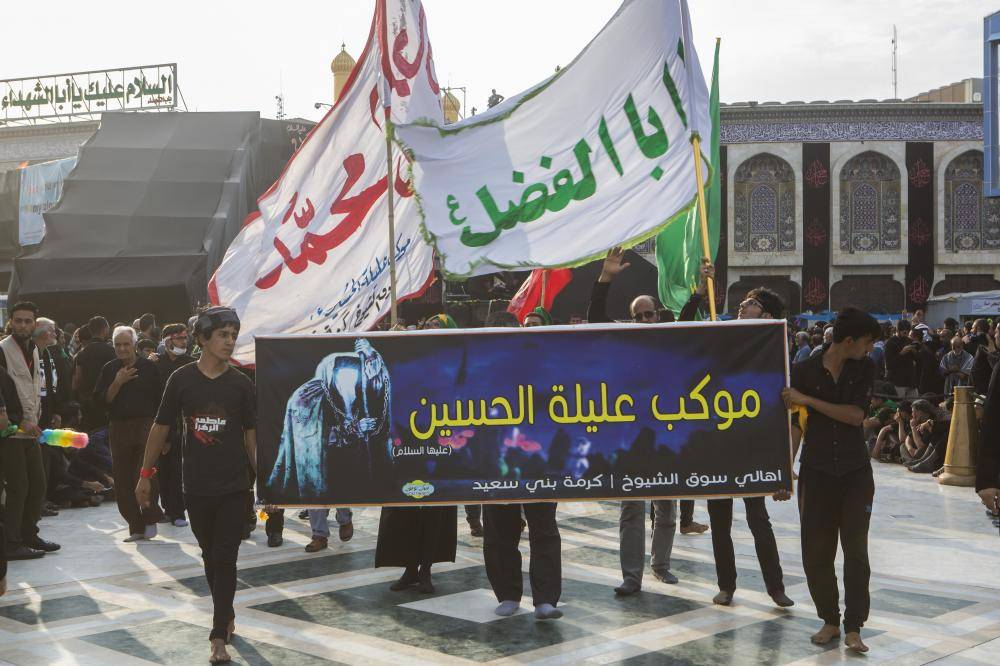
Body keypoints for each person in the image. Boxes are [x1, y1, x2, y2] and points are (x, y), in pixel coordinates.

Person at [136, 306, 256, 665]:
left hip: (235, 485)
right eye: (223, 335)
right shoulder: (181, 380)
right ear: (202, 339)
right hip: (196, 485)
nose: (230, 341)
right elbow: (160, 427)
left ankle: (217, 634)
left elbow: (251, 438)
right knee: (209, 555)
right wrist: (145, 475)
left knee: (226, 555)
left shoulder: (241, 384)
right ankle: (225, 612)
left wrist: (264, 480)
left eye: (233, 335)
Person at [783, 306, 881, 655]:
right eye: (867, 342)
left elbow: (855, 416)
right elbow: (796, 424)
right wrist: (784, 469)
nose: (870, 349)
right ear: (849, 341)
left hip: (855, 473)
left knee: (856, 552)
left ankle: (854, 625)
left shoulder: (864, 368)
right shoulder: (803, 371)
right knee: (816, 552)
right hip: (817, 471)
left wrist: (808, 399)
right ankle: (829, 619)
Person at [705, 289, 792, 608]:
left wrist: (782, 467)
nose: (742, 305)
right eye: (743, 301)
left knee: (758, 519)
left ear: (767, 315)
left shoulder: (773, 350)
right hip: (718, 442)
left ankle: (776, 587)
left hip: (751, 445)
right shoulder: (721, 338)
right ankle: (726, 585)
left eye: (752, 303)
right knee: (720, 523)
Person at [482, 310, 562, 620]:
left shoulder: (539, 367)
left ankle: (546, 599)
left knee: (543, 528)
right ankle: (508, 594)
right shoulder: (480, 371)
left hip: (537, 460)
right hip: (497, 463)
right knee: (499, 530)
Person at [0, 302, 59, 558]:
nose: (22, 325)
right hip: (9, 431)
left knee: (38, 484)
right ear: (10, 321)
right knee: (18, 487)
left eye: (27, 321)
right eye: (18, 320)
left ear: (34, 323)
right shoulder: (2, 350)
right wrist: (18, 420)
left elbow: (35, 386)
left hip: (31, 429)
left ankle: (29, 534)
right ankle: (12, 543)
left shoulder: (34, 349)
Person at [96, 326, 163, 541]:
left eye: (126, 344)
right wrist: (118, 382)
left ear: (134, 345)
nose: (122, 348)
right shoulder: (109, 369)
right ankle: (135, 526)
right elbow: (101, 401)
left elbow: (161, 400)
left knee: (144, 473)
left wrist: (166, 435)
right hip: (119, 427)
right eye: (118, 345)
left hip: (146, 426)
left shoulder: (149, 367)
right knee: (123, 478)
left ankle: (150, 517)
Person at [422, 313, 484, 537]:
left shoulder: (462, 355)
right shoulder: (424, 356)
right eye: (429, 326)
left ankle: (474, 520)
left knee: (468, 472)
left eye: (437, 326)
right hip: (433, 423)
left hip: (461, 421)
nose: (432, 329)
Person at [152, 323, 195, 527]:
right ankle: (168, 510)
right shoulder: (155, 364)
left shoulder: (191, 363)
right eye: (179, 338)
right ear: (168, 341)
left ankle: (178, 512)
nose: (184, 342)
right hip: (162, 423)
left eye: (186, 338)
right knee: (163, 470)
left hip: (186, 424)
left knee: (179, 470)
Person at [74, 316, 117, 436]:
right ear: (105, 330)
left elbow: (77, 379)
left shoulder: (82, 353)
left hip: (88, 404)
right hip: (107, 403)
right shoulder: (112, 351)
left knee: (90, 438)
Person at [901, 398, 949, 474]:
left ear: (921, 411)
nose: (912, 414)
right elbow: (907, 438)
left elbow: (920, 446)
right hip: (918, 452)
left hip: (926, 450)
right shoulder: (918, 421)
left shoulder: (932, 421)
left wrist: (913, 427)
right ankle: (915, 461)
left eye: (914, 412)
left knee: (919, 451)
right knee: (903, 446)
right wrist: (910, 448)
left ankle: (920, 462)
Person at [884, 320, 918, 399]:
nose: (906, 335)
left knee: (914, 403)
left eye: (908, 332)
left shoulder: (909, 341)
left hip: (910, 381)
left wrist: (915, 352)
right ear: (898, 331)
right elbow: (889, 365)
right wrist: (901, 353)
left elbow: (917, 360)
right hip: (897, 382)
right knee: (899, 403)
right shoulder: (890, 343)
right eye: (904, 332)